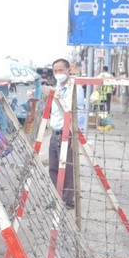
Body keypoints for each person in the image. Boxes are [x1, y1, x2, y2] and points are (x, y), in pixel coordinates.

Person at [47, 58, 85, 208]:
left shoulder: (74, 88)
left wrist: (75, 134)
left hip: (66, 133)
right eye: (55, 71)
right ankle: (56, 198)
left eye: (61, 70)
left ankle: (68, 201)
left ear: (68, 70)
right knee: (53, 168)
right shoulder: (56, 87)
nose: (58, 73)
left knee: (67, 169)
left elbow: (78, 112)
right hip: (54, 132)